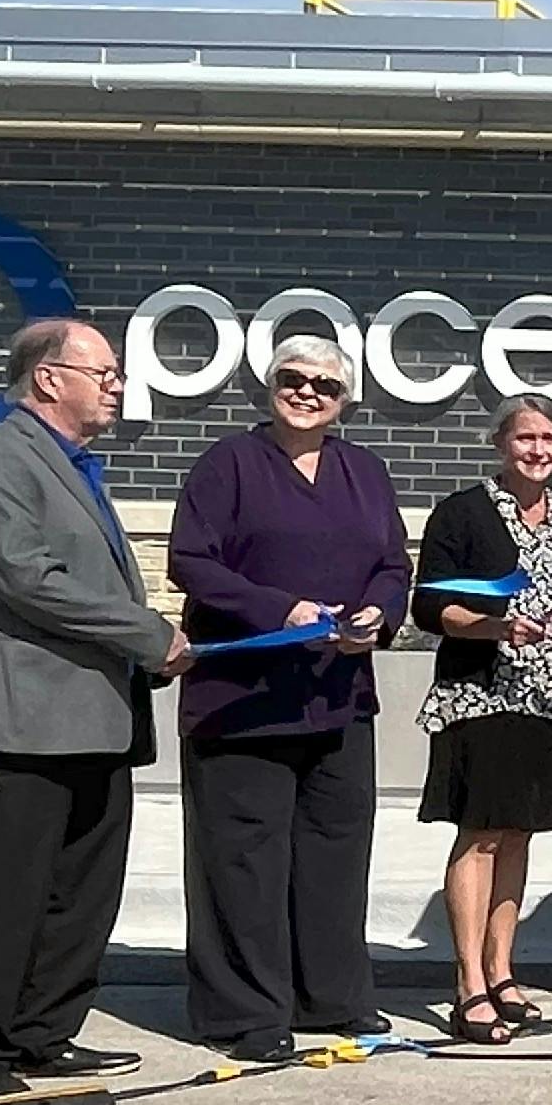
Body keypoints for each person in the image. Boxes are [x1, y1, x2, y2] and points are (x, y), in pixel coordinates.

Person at [0, 319, 191, 1096]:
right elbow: (29, 579)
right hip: (22, 719)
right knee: (9, 888)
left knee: (81, 888)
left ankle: (42, 1033)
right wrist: (149, 635)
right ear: (48, 377)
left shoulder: (73, 467)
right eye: (103, 371)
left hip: (95, 716)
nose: (116, 384)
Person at [166, 334, 413, 1064]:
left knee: (335, 853)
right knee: (245, 860)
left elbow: (394, 564)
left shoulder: (365, 471)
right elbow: (190, 560)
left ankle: (331, 995)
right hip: (242, 703)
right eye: (292, 379)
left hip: (336, 695)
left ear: (345, 402)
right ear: (268, 385)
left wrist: (377, 616)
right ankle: (244, 1013)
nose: (306, 392)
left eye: (324, 386)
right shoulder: (227, 465)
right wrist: (281, 610)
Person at [411, 394, 552, 1044]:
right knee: (480, 832)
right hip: (481, 694)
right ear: (501, 443)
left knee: (519, 833)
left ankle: (503, 971)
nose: (537, 449)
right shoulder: (462, 512)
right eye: (524, 437)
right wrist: (495, 626)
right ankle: (467, 983)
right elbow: (431, 607)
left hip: (548, 698)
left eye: (549, 438)